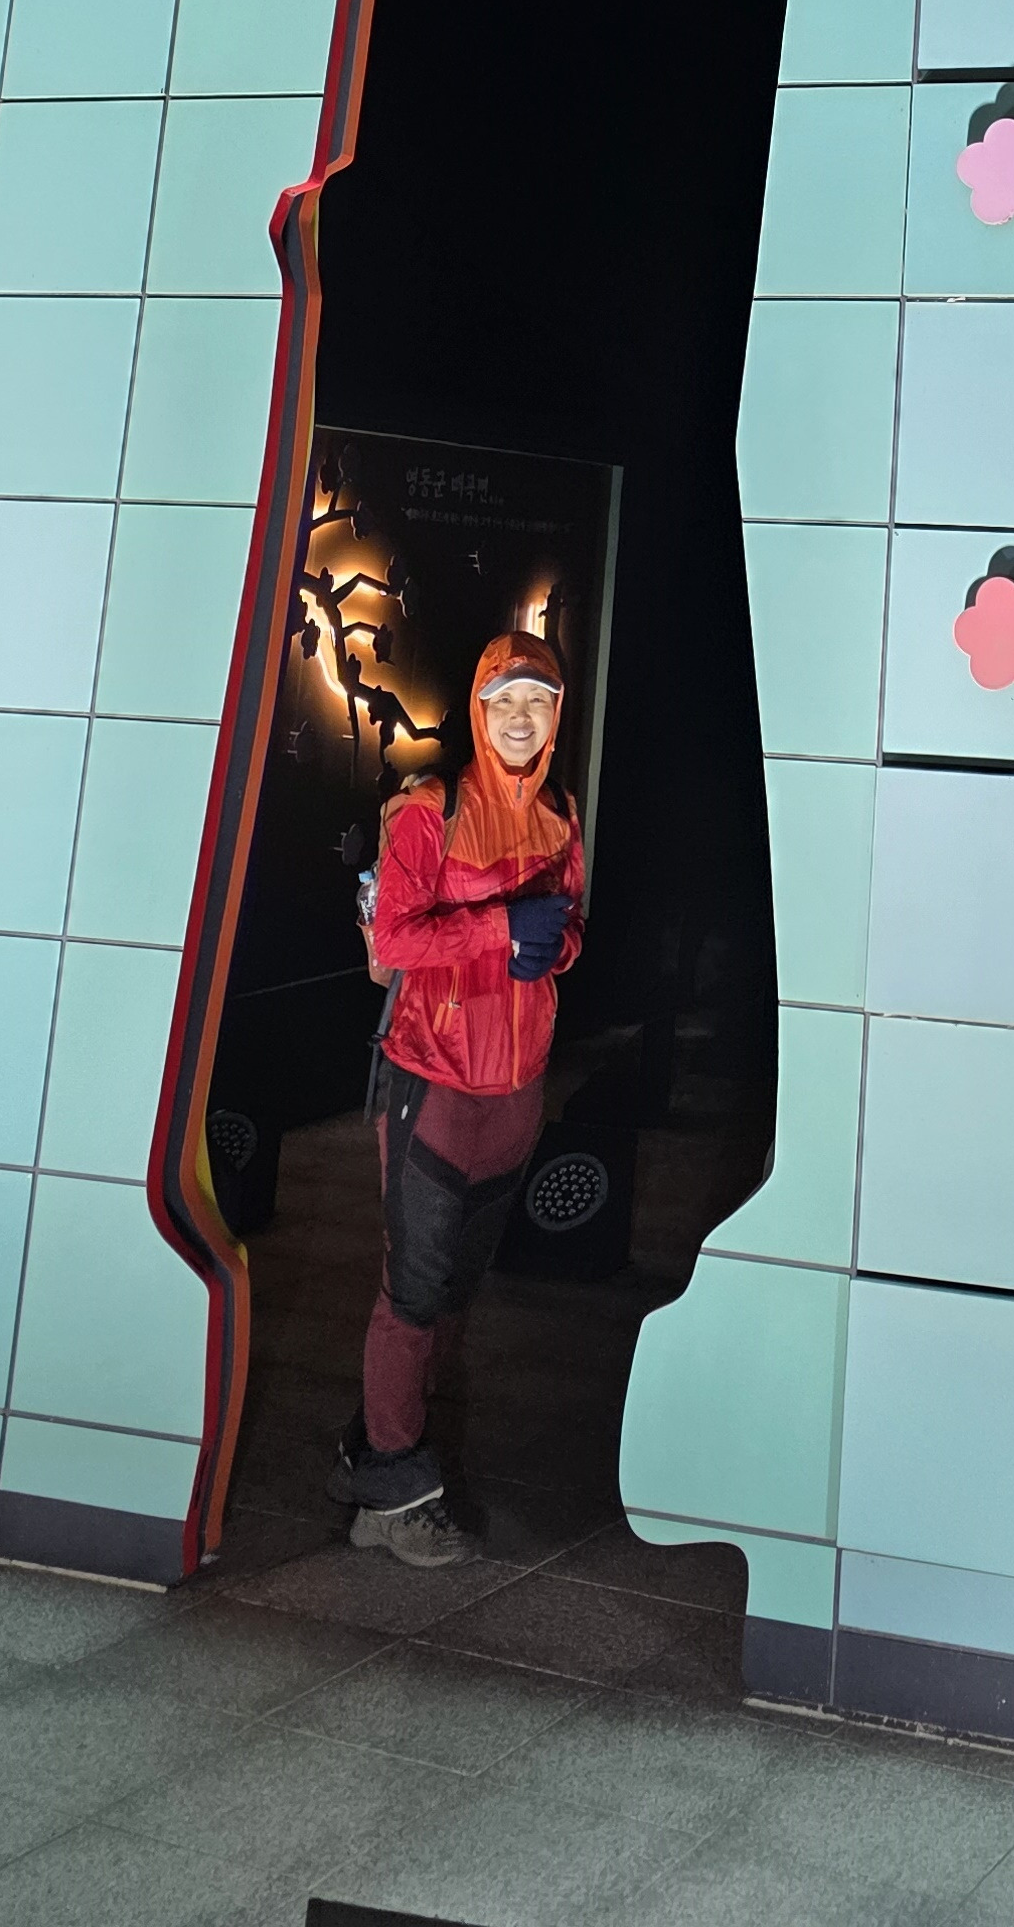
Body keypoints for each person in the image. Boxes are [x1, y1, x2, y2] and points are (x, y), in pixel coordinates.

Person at [334, 630, 583, 1561]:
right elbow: (396, 939)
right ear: (479, 712)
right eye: (503, 701)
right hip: (432, 1080)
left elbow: (572, 931)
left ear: (556, 715)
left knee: (453, 1291)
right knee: (413, 1287)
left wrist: (552, 944)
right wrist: (501, 929)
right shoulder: (429, 812)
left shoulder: (561, 815)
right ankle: (392, 1494)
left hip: (516, 1091)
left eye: (537, 702)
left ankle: (375, 1449)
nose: (520, 719)